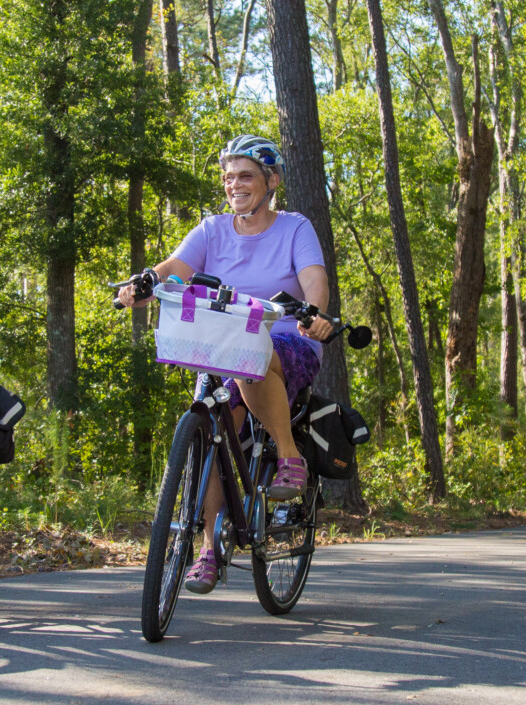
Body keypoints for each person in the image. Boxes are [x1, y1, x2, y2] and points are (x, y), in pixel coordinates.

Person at [114, 134, 334, 595]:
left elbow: (314, 279)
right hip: (219, 345)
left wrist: (315, 315)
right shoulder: (212, 229)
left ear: (271, 181)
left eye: (246, 176)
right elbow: (176, 265)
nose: (235, 185)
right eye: (229, 177)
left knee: (253, 357)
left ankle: (289, 456)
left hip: (285, 346)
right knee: (210, 435)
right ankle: (210, 550)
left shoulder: (294, 227)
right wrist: (145, 282)